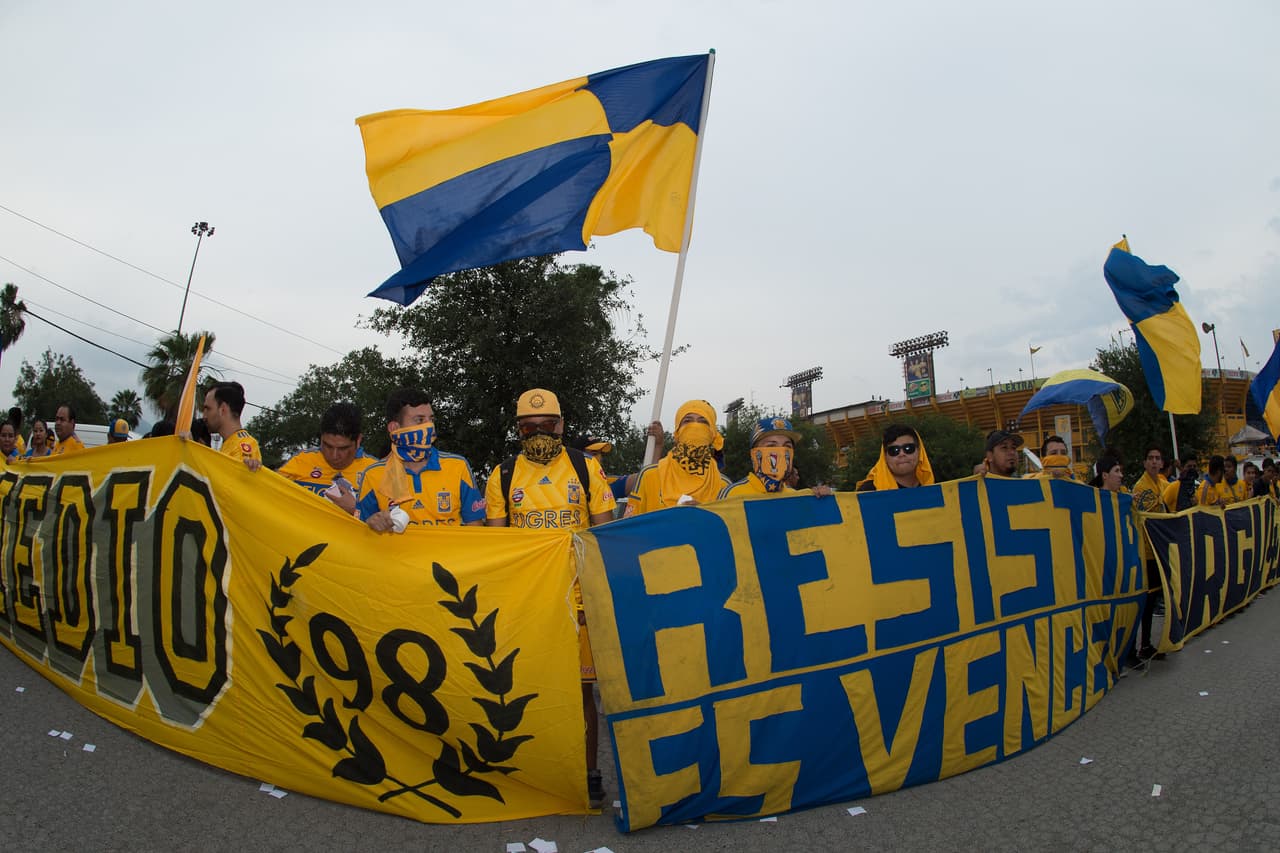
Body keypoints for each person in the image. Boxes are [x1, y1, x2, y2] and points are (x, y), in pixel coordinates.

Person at [484, 388, 615, 808]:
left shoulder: (585, 467)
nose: (538, 433)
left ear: (560, 424)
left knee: (582, 693)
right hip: (530, 601)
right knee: (528, 689)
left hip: (578, 600)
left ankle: (590, 772)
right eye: (528, 427)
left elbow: (604, 536)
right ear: (518, 430)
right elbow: (496, 547)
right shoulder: (501, 476)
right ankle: (537, 771)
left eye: (546, 425)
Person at [356, 389, 485, 530]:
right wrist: (372, 523)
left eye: (431, 419)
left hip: (450, 552)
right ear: (394, 428)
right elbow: (360, 532)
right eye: (420, 420)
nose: (429, 426)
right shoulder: (372, 475)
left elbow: (476, 528)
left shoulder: (457, 466)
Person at [626, 400, 731, 514]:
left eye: (703, 422)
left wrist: (704, 517)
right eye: (687, 421)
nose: (695, 426)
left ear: (712, 433)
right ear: (677, 431)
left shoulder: (724, 486)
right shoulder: (649, 476)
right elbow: (630, 526)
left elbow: (731, 529)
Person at [280, 402, 378, 513]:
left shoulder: (376, 471)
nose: (334, 455)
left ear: (358, 440)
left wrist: (356, 509)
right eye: (327, 446)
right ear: (321, 437)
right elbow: (268, 490)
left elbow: (393, 519)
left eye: (343, 448)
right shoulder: (301, 460)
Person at [721, 416, 835, 499]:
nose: (780, 452)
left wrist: (825, 502)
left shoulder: (796, 497)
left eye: (787, 446)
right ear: (755, 454)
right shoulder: (732, 495)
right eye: (771, 445)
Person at [1129, 445, 1168, 665]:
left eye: (1158, 458)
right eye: (1150, 458)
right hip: (1145, 553)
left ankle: (1146, 644)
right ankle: (1137, 647)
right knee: (1145, 601)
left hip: (1156, 551)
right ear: (1144, 463)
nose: (1154, 462)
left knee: (1152, 600)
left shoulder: (1161, 484)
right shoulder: (1142, 487)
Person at [855, 423, 935, 492]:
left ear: (920, 451)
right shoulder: (868, 493)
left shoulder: (936, 489)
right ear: (885, 456)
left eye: (908, 448)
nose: (902, 454)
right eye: (894, 450)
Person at [202, 381, 262, 466]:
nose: (204, 416)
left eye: (208, 409)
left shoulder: (242, 446)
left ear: (222, 409)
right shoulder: (231, 444)